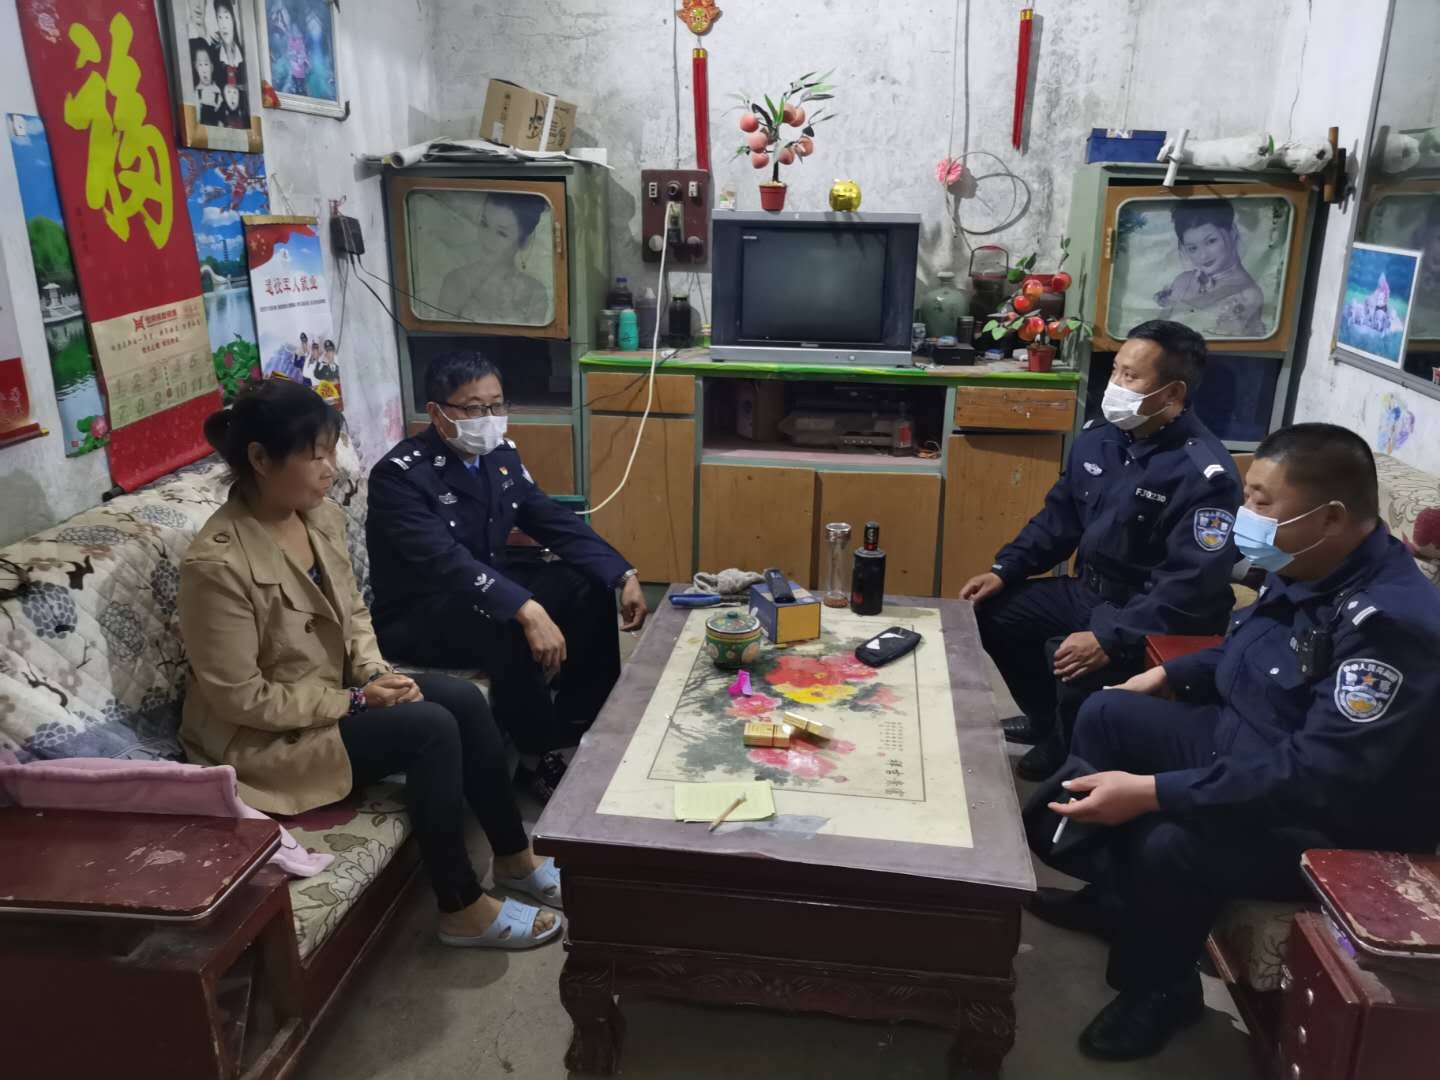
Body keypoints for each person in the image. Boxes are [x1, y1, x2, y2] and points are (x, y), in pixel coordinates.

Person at [1033, 423, 1440, 1060]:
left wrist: (1154, 792)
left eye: (1260, 502)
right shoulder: (1311, 562)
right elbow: (1250, 648)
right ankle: (1112, 900)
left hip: (1324, 813)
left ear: (1330, 517)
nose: (1244, 517)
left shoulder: (1390, 625)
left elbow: (1316, 773)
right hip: (1246, 742)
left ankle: (1159, 990)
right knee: (1108, 712)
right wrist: (1169, 674)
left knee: (1172, 840)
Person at [178, 380, 562, 949]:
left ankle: (513, 857)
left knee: (460, 700)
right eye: (316, 456)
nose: (330, 470)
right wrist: (356, 701)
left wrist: (377, 674)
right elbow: (240, 698)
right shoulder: (217, 566)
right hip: (264, 741)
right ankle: (460, 907)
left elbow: (354, 613)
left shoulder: (319, 517)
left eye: (331, 452)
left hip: (330, 695)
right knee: (429, 728)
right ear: (260, 459)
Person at [960, 320, 1242, 781]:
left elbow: (1189, 585)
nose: (1115, 386)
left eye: (1131, 377)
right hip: (1089, 590)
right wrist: (1004, 569)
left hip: (1149, 610)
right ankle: (1047, 722)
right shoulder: (1101, 436)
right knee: (993, 612)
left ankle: (1069, 754)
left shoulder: (1204, 474)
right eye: (1115, 371)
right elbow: (1059, 519)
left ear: (1173, 394)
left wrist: (1110, 636)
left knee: (1073, 659)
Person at [366, 353, 647, 800]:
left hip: (483, 585)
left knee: (585, 584)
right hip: (420, 612)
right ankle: (538, 755)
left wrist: (620, 572)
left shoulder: (499, 455)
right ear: (437, 412)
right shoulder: (399, 477)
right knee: (509, 625)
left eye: (497, 405)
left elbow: (548, 518)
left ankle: (583, 719)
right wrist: (525, 607)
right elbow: (445, 561)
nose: (490, 418)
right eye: (474, 408)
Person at [431, 193, 551, 326]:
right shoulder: (456, 282)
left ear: (524, 241)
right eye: (484, 224)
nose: (487, 238)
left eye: (502, 233)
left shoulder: (534, 293)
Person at [1154, 200, 1265, 338]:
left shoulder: (1248, 294)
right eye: (1192, 248)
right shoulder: (1183, 280)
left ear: (1232, 232)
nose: (1203, 256)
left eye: (1211, 241)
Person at [192, 43, 221, 127]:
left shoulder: (219, 93)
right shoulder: (195, 94)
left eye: (206, 64)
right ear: (196, 67)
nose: (204, 70)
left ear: (212, 67)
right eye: (200, 65)